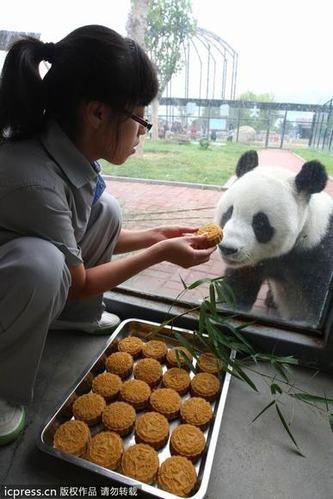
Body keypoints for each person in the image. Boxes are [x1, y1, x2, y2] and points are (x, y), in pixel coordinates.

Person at [0, 25, 216, 445]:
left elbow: (71, 230)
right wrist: (161, 255)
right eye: (139, 118)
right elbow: (77, 281)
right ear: (97, 112)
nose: (142, 132)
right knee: (42, 266)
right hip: (15, 280)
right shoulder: (33, 180)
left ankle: (68, 321)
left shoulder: (64, 152)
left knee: (107, 210)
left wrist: (156, 236)